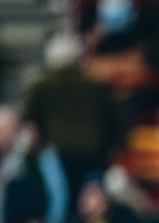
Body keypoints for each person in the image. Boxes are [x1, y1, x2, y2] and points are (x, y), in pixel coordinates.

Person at [23, 34, 128, 201]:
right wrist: (112, 146)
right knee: (89, 199)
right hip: (92, 153)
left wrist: (35, 150)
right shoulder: (94, 86)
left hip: (57, 154)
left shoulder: (42, 87)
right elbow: (117, 118)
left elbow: (29, 120)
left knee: (59, 198)